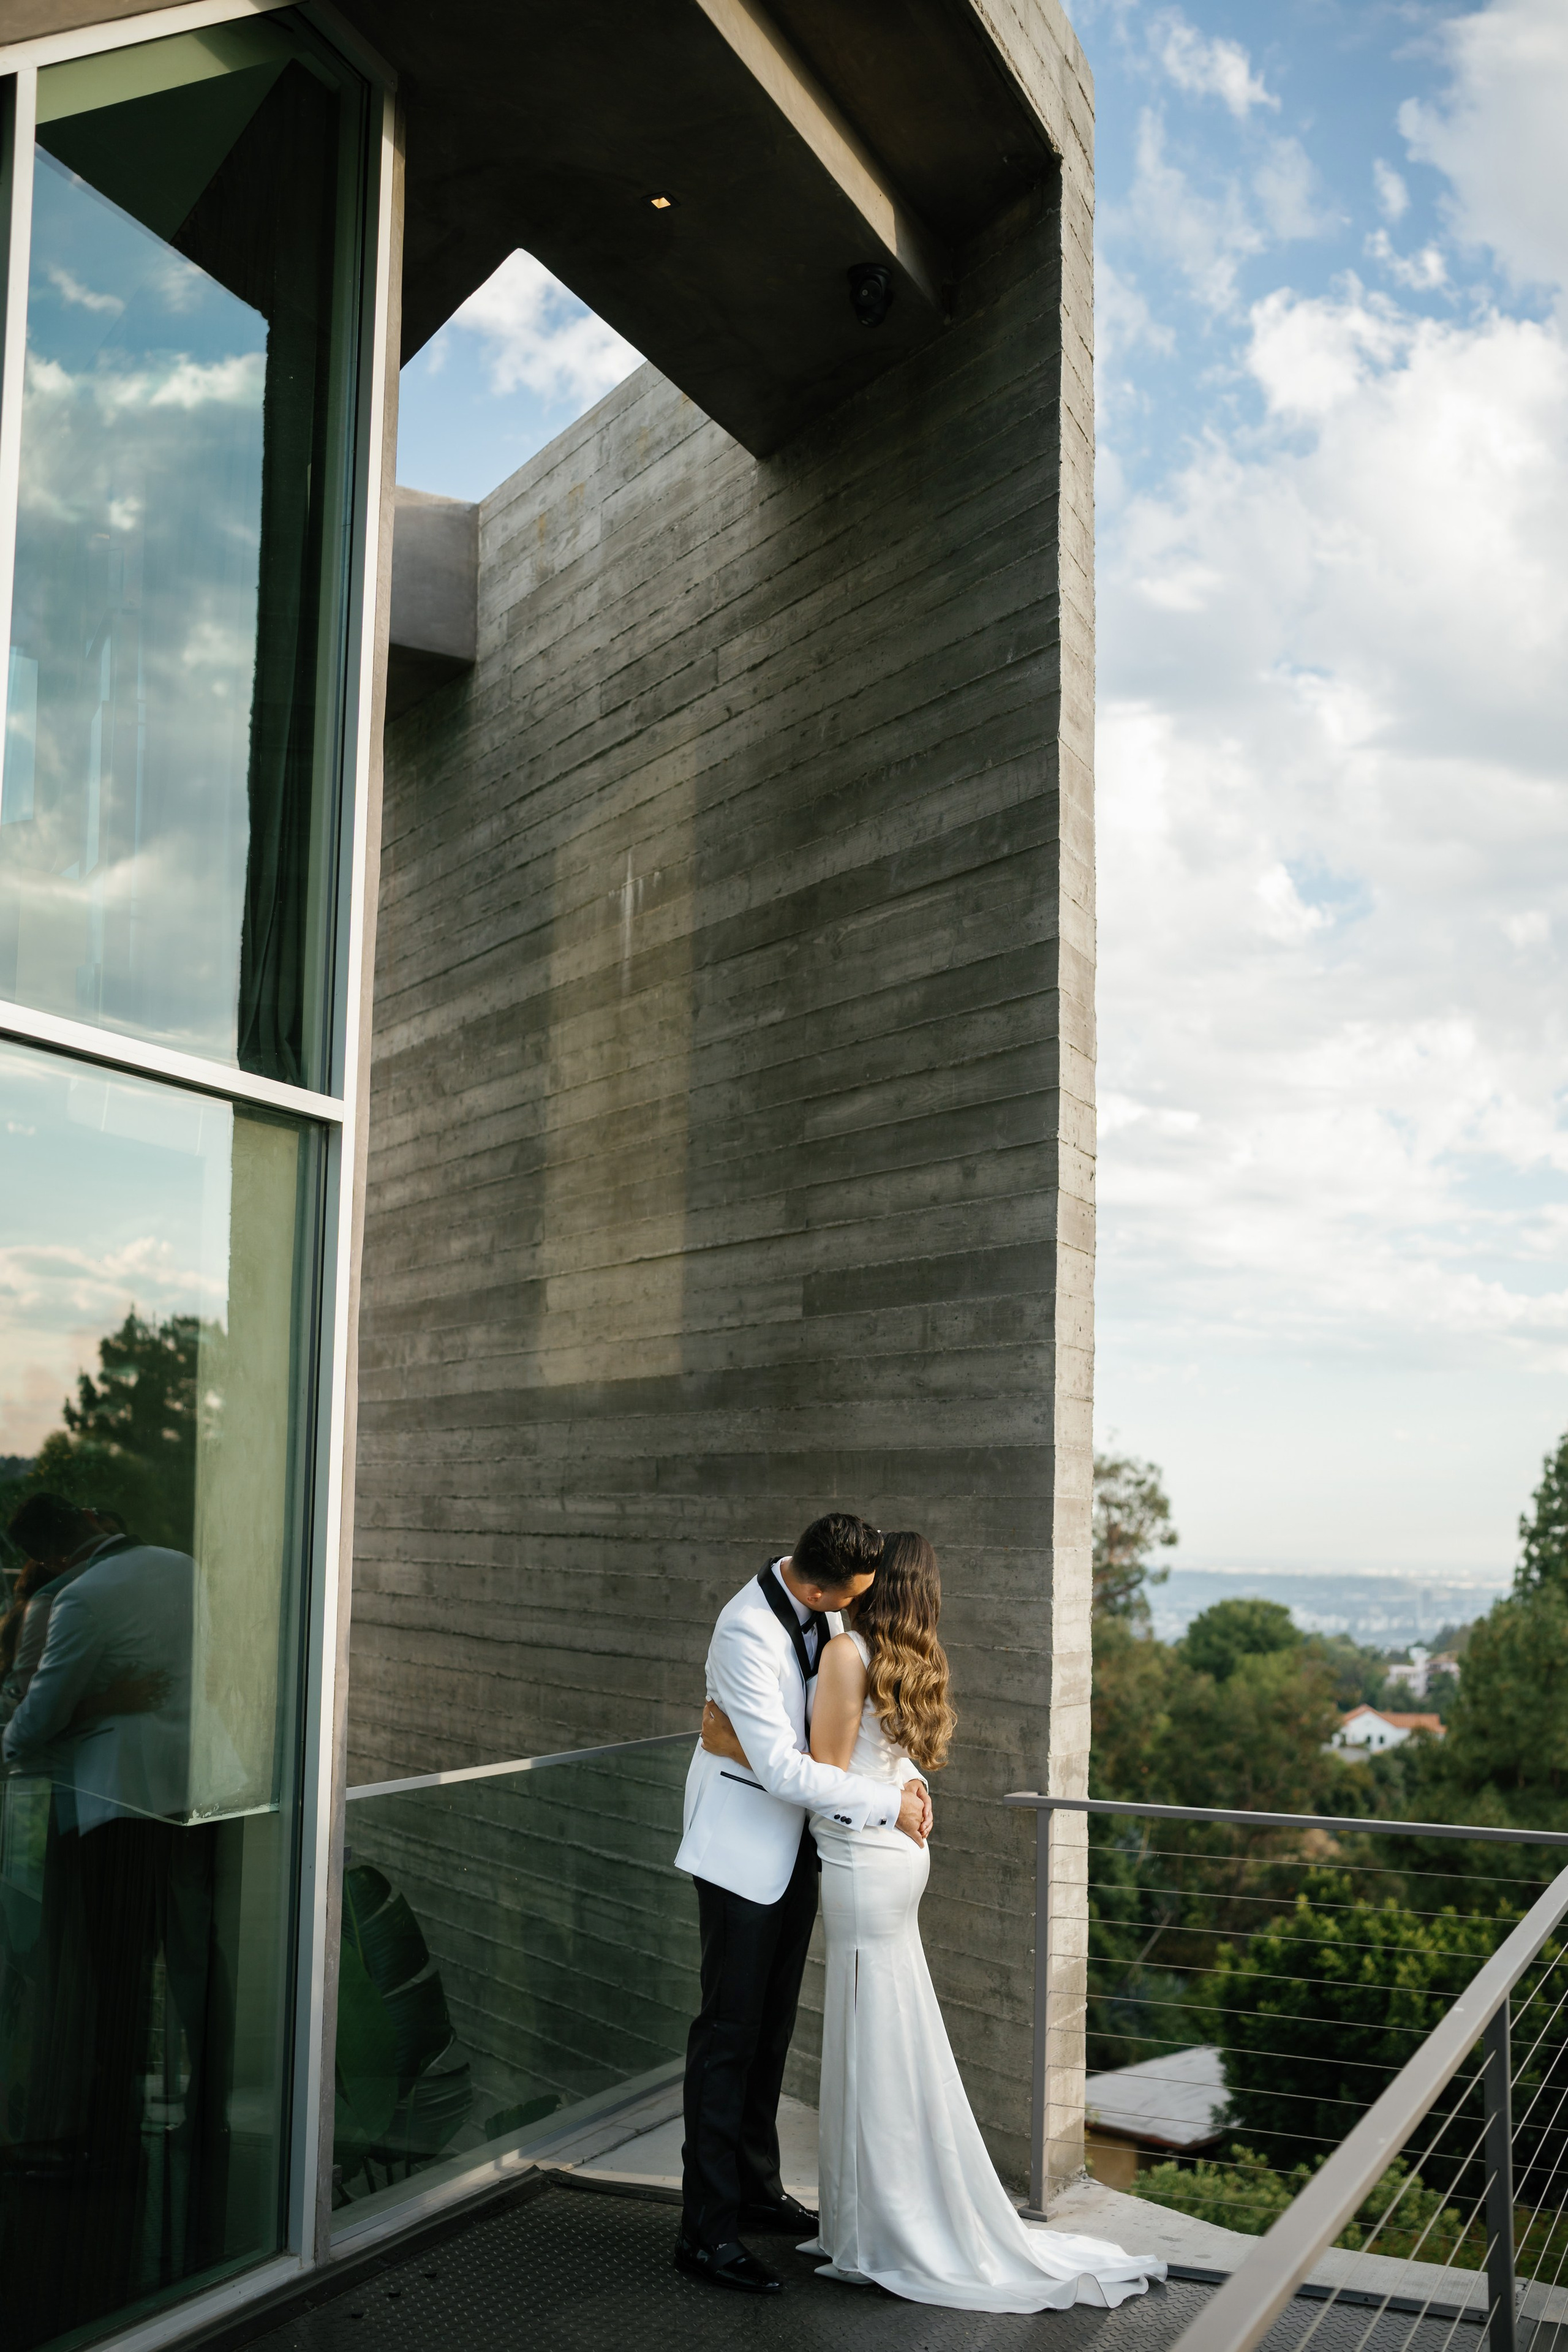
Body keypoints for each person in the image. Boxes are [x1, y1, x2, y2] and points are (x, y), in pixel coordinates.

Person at [703, 1530, 1166, 2313]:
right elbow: (875, 1755)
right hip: (882, 1859)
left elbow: (813, 1769)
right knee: (884, 2032)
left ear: (877, 1585)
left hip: (861, 1858)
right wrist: (907, 1789)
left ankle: (884, 2226)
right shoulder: (898, 1655)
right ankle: (877, 2213)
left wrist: (728, 1739)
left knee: (869, 2036)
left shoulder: (848, 1651)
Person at [673, 1513, 933, 2296]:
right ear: (817, 1585)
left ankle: (755, 2189)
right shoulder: (745, 1631)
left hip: (801, 1848)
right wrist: (888, 1804)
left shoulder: (826, 1599)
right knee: (727, 2037)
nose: (859, 1610)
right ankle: (705, 2235)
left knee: (772, 2031)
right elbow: (786, 1772)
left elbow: (854, 1719)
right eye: (851, 1599)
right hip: (741, 1851)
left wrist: (906, 1770)